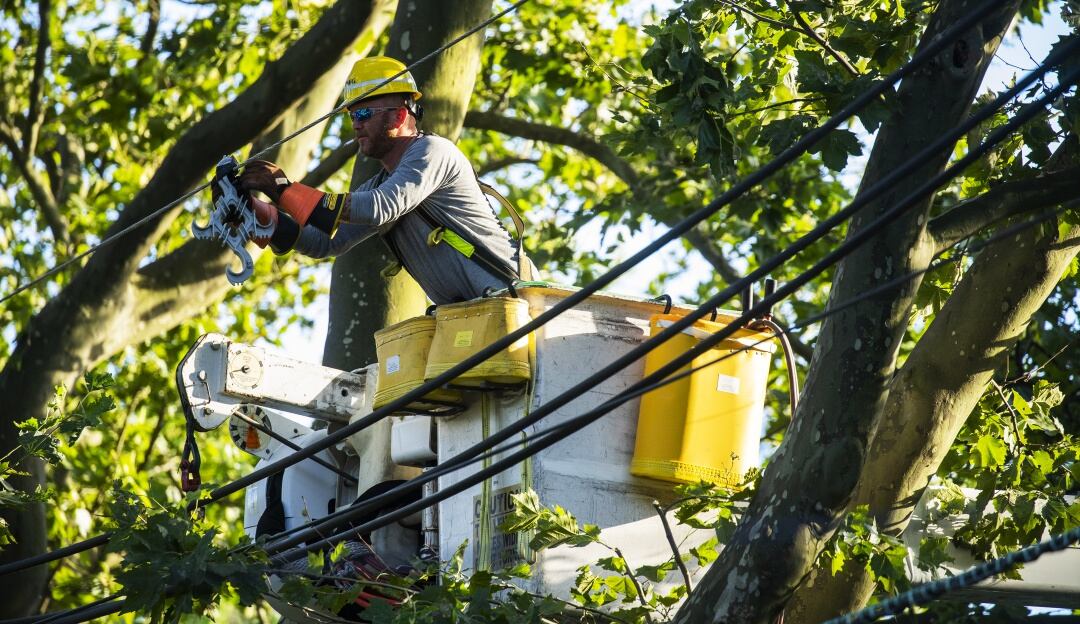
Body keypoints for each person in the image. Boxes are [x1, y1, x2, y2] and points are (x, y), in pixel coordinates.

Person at [239, 56, 530, 304]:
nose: (356, 124)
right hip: (470, 318)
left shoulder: (433, 152)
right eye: (352, 115)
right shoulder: (382, 182)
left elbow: (380, 207)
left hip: (517, 304)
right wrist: (252, 212)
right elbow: (323, 242)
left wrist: (284, 189)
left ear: (400, 116)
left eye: (364, 113)